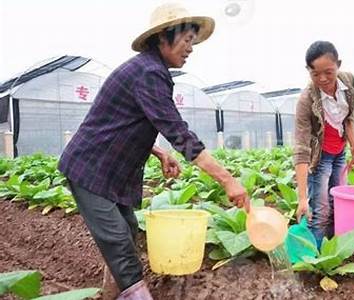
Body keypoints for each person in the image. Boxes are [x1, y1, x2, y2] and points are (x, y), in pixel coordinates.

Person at [58, 3, 249, 299]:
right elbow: (179, 133)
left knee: (127, 231)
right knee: (119, 244)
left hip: (109, 172)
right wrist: (227, 180)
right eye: (186, 40)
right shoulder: (148, 73)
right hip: (90, 169)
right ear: (163, 37)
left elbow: (124, 121)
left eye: (193, 42)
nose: (190, 48)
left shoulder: (149, 70)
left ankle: (111, 294)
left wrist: (159, 153)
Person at [294, 41, 354, 248]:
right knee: (321, 207)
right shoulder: (306, 100)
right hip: (321, 157)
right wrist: (302, 198)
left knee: (340, 201)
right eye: (315, 74)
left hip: (340, 152)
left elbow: (349, 117)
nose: (322, 79)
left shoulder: (348, 82)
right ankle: (315, 254)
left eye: (328, 72)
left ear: (338, 65)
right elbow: (301, 148)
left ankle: (335, 245)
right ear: (308, 71)